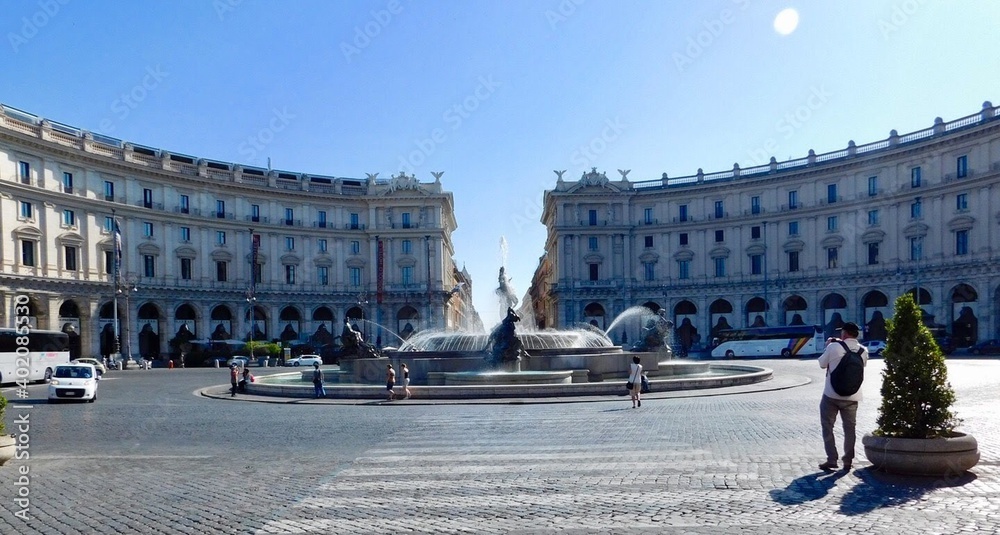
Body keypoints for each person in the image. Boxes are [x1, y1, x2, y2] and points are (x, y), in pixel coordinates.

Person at [817, 321, 869, 471]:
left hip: (831, 394)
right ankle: (848, 461)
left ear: (844, 333)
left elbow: (821, 363)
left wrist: (828, 346)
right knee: (850, 429)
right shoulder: (863, 351)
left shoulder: (833, 347)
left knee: (827, 427)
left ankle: (832, 459)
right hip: (852, 396)